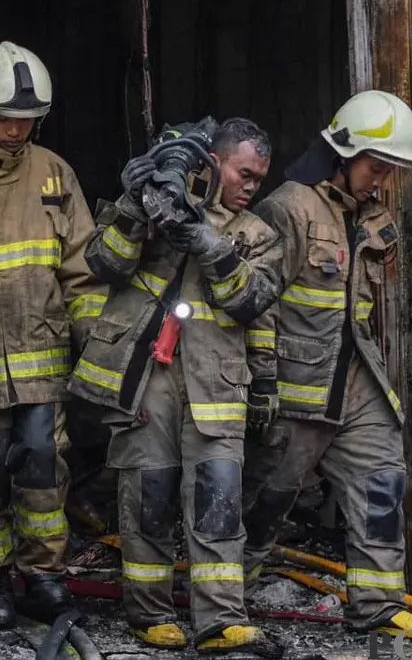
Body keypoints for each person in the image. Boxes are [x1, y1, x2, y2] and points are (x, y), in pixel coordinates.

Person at [68, 118, 284, 655]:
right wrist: (136, 207)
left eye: (260, 178)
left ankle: (221, 621)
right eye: (245, 173)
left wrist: (209, 243)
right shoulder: (153, 201)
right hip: (148, 378)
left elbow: (252, 303)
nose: (252, 186)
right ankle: (149, 615)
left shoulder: (257, 234)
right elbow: (103, 263)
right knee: (149, 496)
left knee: (218, 500)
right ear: (213, 161)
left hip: (217, 382)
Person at [241, 89, 412, 636]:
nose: (382, 180)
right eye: (377, 166)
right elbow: (257, 301)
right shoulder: (289, 208)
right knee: (266, 499)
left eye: (390, 171)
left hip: (356, 383)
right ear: (344, 152)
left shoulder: (372, 218)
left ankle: (377, 606)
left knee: (382, 482)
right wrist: (260, 382)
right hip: (296, 388)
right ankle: (226, 594)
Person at [0, 40, 107, 627]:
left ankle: (45, 577)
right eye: (6, 118)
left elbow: (81, 266)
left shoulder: (55, 172)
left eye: (27, 120)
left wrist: (94, 345)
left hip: (42, 358)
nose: (16, 130)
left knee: (43, 469)